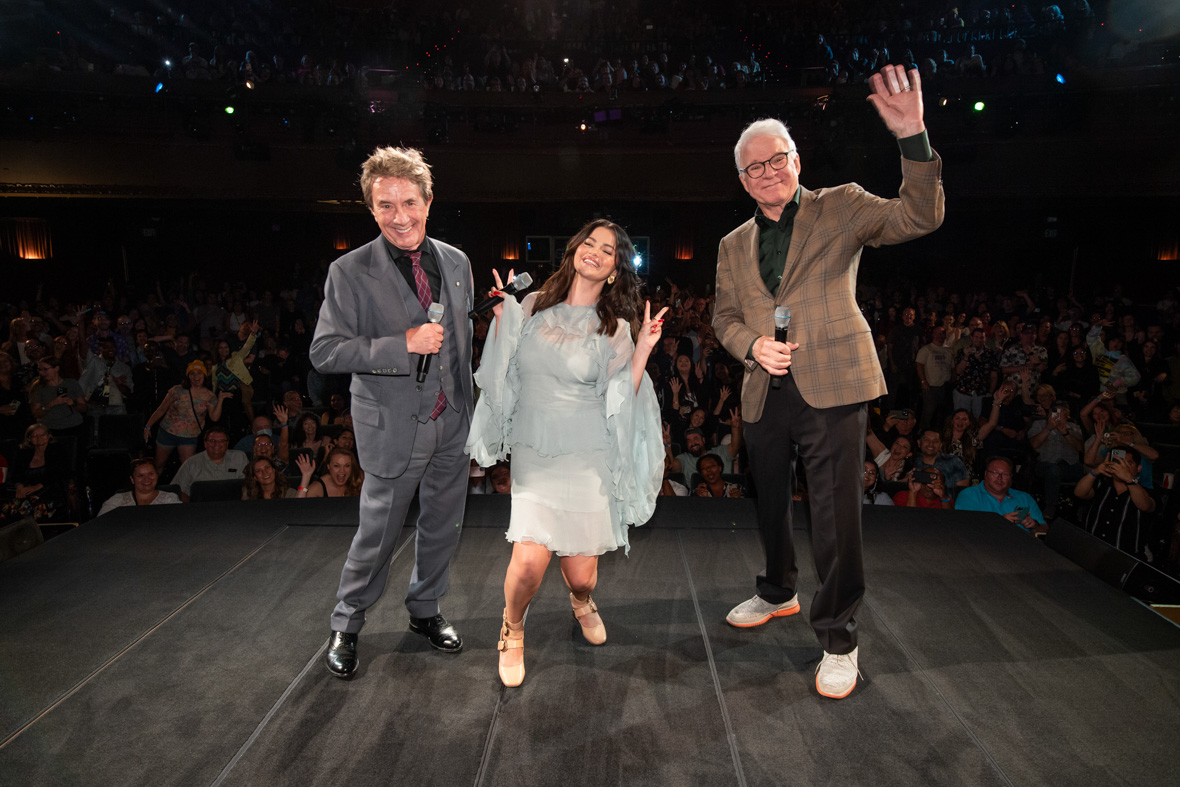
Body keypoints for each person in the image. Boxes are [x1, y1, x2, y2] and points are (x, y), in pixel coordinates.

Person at [712, 65, 945, 700]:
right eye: (754, 167)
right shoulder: (733, 244)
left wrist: (913, 138)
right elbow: (723, 317)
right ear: (742, 179)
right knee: (766, 502)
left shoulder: (840, 206)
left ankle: (839, 634)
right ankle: (777, 590)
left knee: (835, 515)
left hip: (835, 383)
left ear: (794, 158)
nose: (767, 172)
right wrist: (750, 345)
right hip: (765, 388)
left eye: (776, 158)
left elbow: (919, 216)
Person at [467, 218, 665, 688]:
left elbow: (620, 395)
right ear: (575, 249)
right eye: (590, 243)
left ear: (616, 269)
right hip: (536, 447)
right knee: (530, 562)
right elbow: (505, 367)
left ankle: (581, 602)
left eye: (609, 250)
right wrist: (501, 322)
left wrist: (642, 352)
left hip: (587, 451)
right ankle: (512, 628)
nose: (596, 252)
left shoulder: (614, 327)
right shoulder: (533, 305)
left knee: (581, 576)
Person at [310, 146, 475, 679]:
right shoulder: (349, 270)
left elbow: (460, 343)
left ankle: (425, 611)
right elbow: (326, 352)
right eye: (385, 206)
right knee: (377, 535)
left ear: (429, 201)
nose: (399, 216)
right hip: (393, 427)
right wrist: (401, 343)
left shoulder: (456, 262)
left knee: (443, 528)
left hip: (451, 424)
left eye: (408, 202)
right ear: (371, 208)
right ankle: (347, 622)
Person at [1073, 448, 1159, 561]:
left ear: (1138, 468)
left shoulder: (1145, 492)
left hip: (1124, 558)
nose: (1122, 467)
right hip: (1091, 551)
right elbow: (1079, 493)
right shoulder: (1102, 485)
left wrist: (1129, 479)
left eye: (1128, 463)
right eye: (1119, 462)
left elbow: (1145, 505)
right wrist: (1095, 471)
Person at [144, 360, 231, 473]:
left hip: (189, 435)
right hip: (168, 432)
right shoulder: (177, 390)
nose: (196, 376)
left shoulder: (209, 395)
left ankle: (184, 489)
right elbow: (161, 410)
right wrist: (148, 426)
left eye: (199, 372)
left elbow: (214, 417)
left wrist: (220, 400)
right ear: (188, 376)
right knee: (159, 464)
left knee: (187, 468)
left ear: (204, 375)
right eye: (192, 373)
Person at [955, 456, 1045, 531]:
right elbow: (964, 529)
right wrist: (999, 522)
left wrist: (1034, 525)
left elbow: (1045, 530)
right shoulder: (969, 495)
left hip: (1023, 548)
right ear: (985, 474)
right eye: (995, 473)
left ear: (1011, 477)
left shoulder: (1025, 498)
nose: (999, 478)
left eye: (1005, 474)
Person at [172, 425, 249, 501]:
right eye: (212, 441)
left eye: (221, 441)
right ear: (205, 443)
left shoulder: (239, 457)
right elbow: (175, 490)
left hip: (233, 507)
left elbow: (250, 484)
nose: (216, 444)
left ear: (227, 443)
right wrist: (193, 505)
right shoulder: (191, 463)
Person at [97, 458, 182, 514]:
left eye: (151, 474)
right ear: (132, 479)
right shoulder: (118, 500)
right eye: (140, 475)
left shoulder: (170, 499)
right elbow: (101, 524)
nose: (147, 479)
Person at [295, 449, 364, 498]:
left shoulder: (358, 479)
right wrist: (306, 477)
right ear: (329, 467)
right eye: (336, 466)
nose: (342, 470)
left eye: (347, 466)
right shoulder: (319, 485)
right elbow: (299, 507)